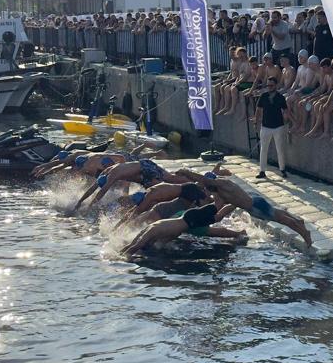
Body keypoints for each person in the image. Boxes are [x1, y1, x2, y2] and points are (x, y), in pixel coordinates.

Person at [176, 168, 312, 247]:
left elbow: (205, 180)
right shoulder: (220, 193)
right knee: (278, 214)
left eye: (208, 187)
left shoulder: (223, 183)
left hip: (254, 206)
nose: (207, 189)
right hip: (253, 203)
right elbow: (220, 210)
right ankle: (298, 222)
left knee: (281, 220)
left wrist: (186, 172)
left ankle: (305, 233)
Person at [121, 200, 244, 260]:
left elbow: (136, 246)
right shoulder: (157, 230)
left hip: (190, 220)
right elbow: (136, 244)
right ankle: (231, 202)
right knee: (214, 213)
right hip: (184, 217)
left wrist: (121, 258)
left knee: (216, 217)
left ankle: (234, 202)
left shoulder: (151, 232)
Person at [73, 160, 186, 212]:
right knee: (161, 185)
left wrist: (89, 207)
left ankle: (187, 182)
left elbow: (101, 192)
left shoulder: (112, 175)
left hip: (144, 167)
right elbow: (93, 188)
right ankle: (180, 191)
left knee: (167, 180)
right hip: (142, 171)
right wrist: (80, 201)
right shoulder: (105, 172)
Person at [254, 76, 290, 178]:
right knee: (263, 149)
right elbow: (258, 109)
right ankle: (262, 170)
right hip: (265, 126)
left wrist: (287, 120)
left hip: (278, 126)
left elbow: (285, 110)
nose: (269, 87)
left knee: (280, 149)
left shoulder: (280, 97)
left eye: (271, 85)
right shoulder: (263, 96)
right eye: (268, 85)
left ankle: (282, 169)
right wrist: (256, 121)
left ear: (276, 85)